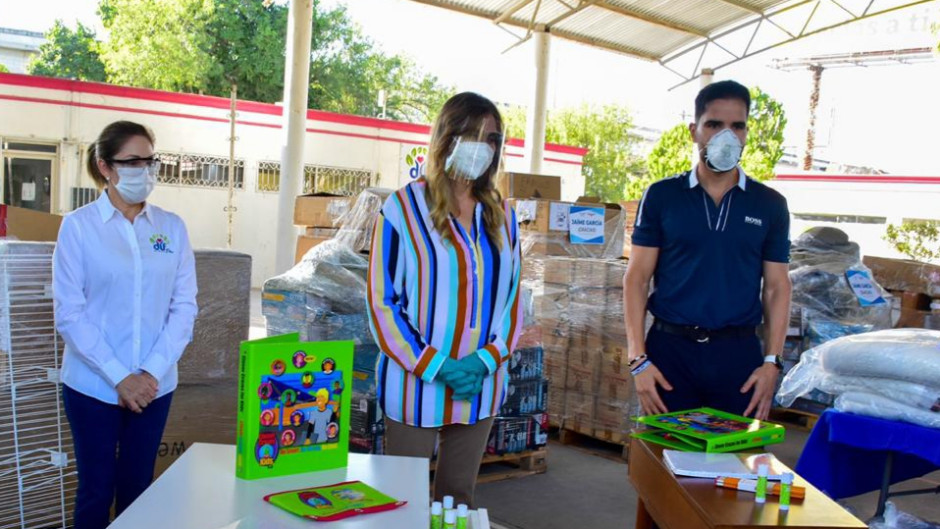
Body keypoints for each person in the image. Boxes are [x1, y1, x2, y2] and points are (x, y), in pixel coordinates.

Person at [367, 92, 522, 507]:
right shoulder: (402, 208)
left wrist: (483, 361)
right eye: (473, 136)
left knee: (459, 499)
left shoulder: (503, 216)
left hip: (480, 385)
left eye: (492, 139)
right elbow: (382, 304)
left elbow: (513, 301)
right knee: (403, 501)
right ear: (447, 137)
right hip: (415, 385)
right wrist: (440, 367)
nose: (483, 147)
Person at [53, 120, 198, 529]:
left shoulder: (171, 227)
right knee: (96, 491)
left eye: (150, 161)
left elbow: (184, 307)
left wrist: (149, 374)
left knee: (138, 489)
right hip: (93, 386)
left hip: (154, 387)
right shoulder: (79, 227)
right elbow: (70, 313)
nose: (144, 171)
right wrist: (120, 377)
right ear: (105, 167)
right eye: (132, 161)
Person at [623, 80, 792, 421]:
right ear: (694, 131)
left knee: (736, 453)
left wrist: (772, 362)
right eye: (714, 124)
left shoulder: (769, 204)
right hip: (670, 354)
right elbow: (636, 279)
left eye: (737, 126)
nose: (726, 136)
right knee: (665, 452)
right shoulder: (662, 196)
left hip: (739, 358)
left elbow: (777, 287)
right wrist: (638, 359)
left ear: (746, 133)